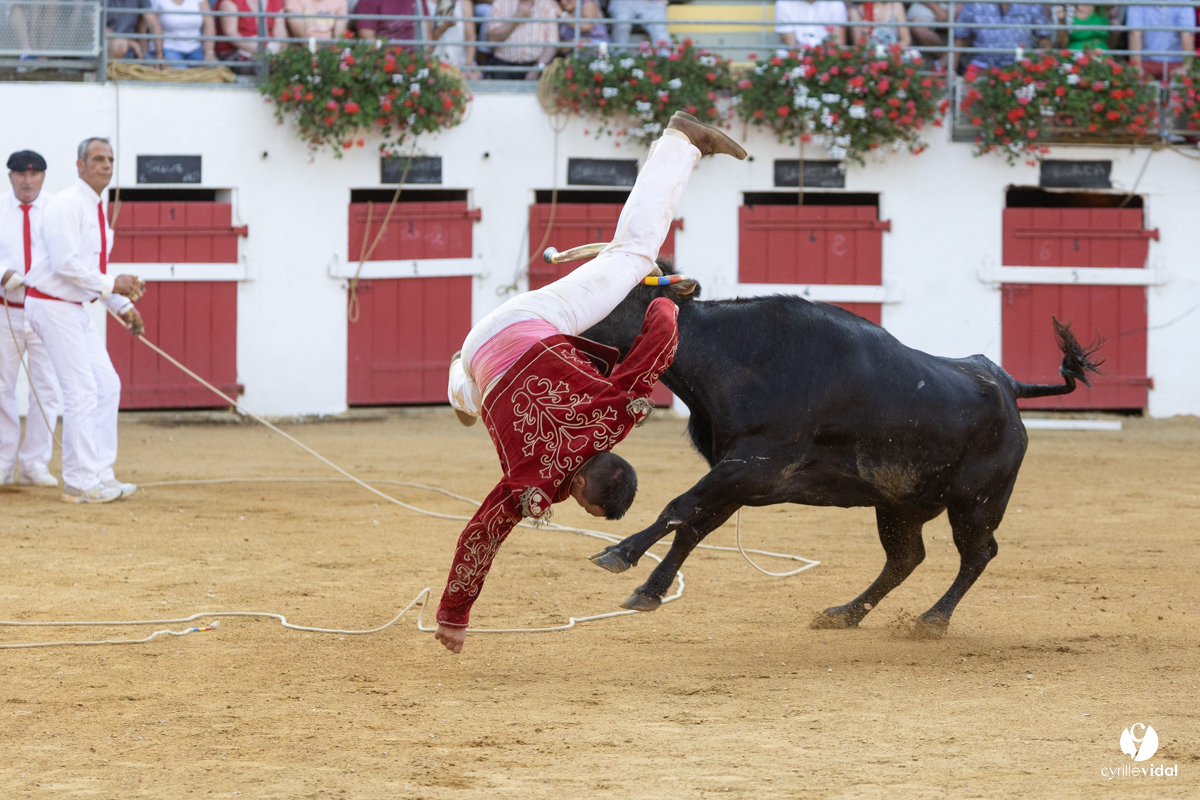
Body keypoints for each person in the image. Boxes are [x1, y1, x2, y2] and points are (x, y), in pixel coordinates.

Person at [433, 112, 747, 654]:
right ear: (579, 487)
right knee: (474, 390)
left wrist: (667, 301)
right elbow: (478, 535)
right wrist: (452, 618)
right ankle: (460, 381)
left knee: (634, 254)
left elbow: (658, 335)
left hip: (528, 319)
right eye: (584, 507)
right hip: (487, 357)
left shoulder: (615, 413)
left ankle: (681, 141)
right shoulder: (530, 480)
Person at [22, 139, 144, 505]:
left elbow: (91, 272)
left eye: (110, 160)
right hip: (51, 305)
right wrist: (112, 285)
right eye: (97, 159)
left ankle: (100, 473)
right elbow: (64, 264)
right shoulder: (66, 204)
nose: (105, 166)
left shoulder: (96, 210)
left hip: (72, 307)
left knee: (107, 385)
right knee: (81, 391)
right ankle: (78, 481)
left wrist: (121, 304)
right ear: (80, 165)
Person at [0, 151, 60, 489]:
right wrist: (2, 272)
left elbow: (65, 255)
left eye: (34, 175)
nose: (27, 180)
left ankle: (34, 463)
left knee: (46, 389)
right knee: (1, 388)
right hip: (5, 309)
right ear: (10, 176)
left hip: (44, 309)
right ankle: (2, 461)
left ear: (43, 177)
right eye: (20, 174)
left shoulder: (55, 210)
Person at [954, 3, 1051, 71]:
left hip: (1021, 67)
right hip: (982, 66)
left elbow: (1044, 38)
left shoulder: (1031, 3)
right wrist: (952, 72)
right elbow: (960, 38)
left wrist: (1047, 71)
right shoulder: (973, 3)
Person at [485, 0, 560, 79]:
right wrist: (518, 16)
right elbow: (492, 39)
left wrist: (538, 67)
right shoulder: (500, 3)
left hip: (536, 64)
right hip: (504, 65)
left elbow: (552, 44)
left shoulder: (547, 4)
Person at [1127, 3, 1194, 84]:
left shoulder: (1184, 2)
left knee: (1180, 87)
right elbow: (1134, 34)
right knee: (1133, 80)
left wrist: (1185, 67)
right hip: (1145, 62)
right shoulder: (1137, 2)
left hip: (1175, 63)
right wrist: (1136, 67)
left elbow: (1188, 36)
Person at [215, 0, 287, 62]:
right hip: (235, 51)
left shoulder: (276, 1)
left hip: (268, 51)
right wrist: (261, 51)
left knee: (284, 65)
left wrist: (280, 54)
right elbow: (231, 34)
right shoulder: (228, 2)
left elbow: (281, 35)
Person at [150, 0, 217, 64]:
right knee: (180, 71)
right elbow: (149, 25)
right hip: (167, 48)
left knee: (211, 70)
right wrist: (159, 54)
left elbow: (209, 23)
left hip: (196, 48)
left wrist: (209, 53)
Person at [422, 0, 480, 71]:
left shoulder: (464, 3)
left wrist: (468, 66)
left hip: (459, 65)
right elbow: (427, 45)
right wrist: (444, 27)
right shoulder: (423, 4)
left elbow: (470, 37)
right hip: (432, 65)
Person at [774, 0, 848, 49]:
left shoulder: (836, 4)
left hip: (827, 60)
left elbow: (838, 46)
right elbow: (791, 47)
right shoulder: (783, 3)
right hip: (794, 61)